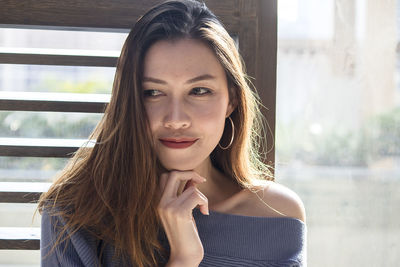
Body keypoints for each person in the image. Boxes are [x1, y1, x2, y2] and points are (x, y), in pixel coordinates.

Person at [38, 0, 307, 266]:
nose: (176, 120)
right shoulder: (74, 213)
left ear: (232, 101)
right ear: (128, 101)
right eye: (153, 93)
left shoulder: (276, 216)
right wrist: (183, 259)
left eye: (199, 91)